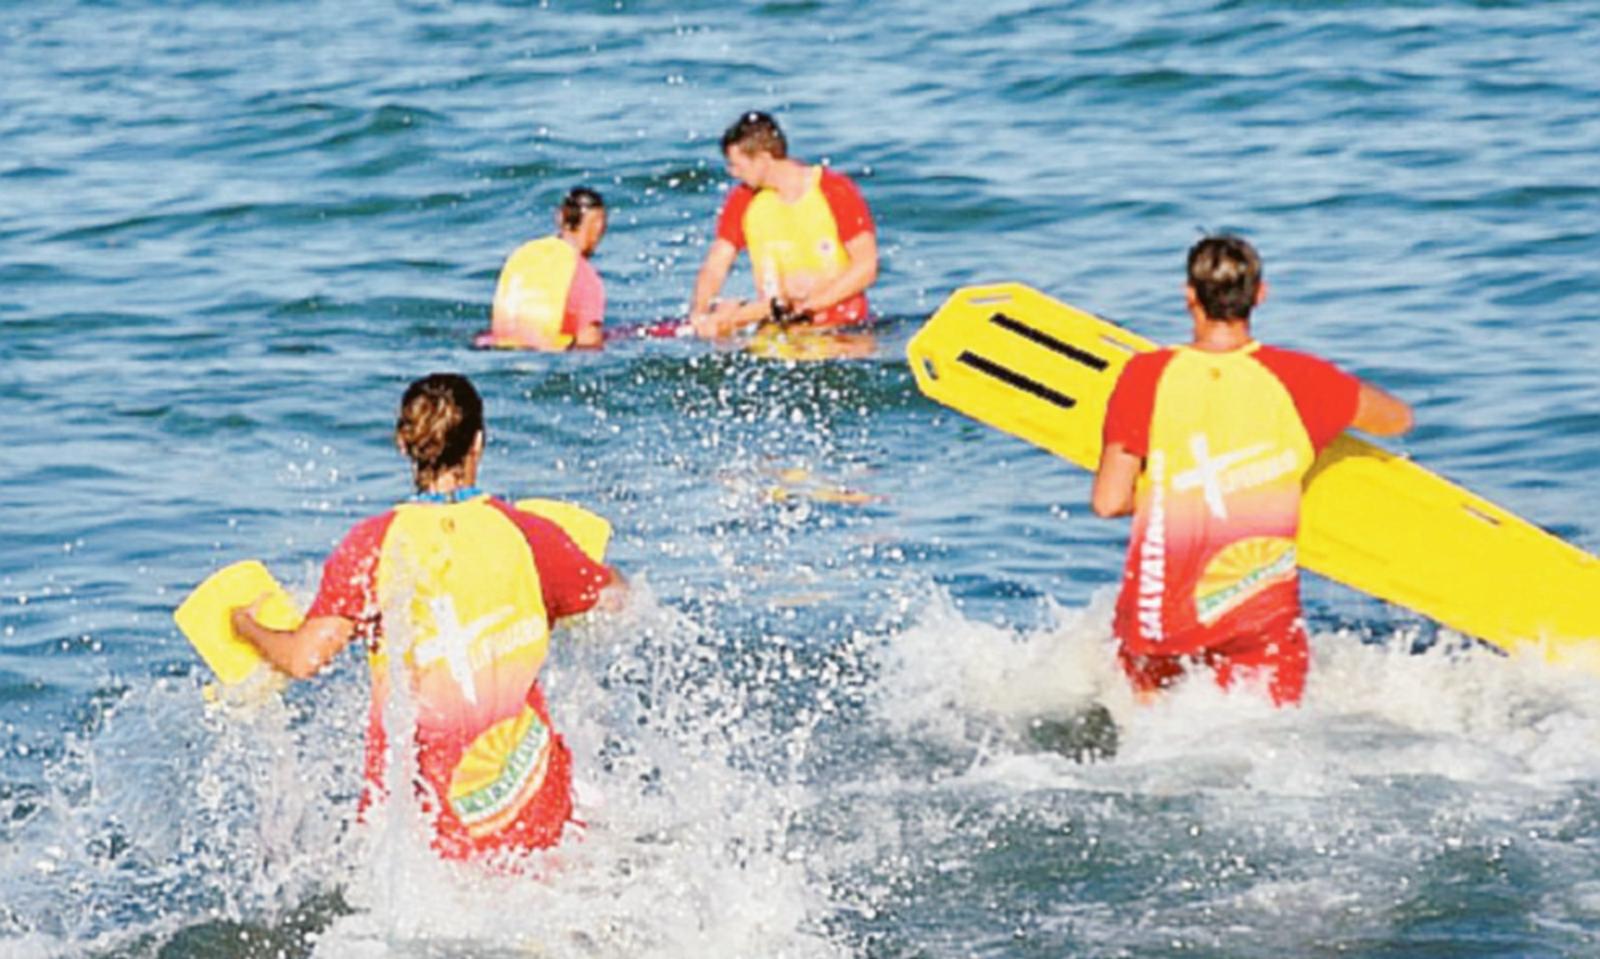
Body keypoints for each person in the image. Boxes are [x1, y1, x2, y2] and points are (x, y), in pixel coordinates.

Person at [231, 373, 619, 860]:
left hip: (420, 830)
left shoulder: (373, 545)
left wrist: (246, 626)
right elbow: (614, 597)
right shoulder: (524, 533)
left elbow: (305, 658)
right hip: (530, 804)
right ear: (478, 443)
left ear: (403, 443)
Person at [1091, 235, 1413, 706]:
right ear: (1260, 295)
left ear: (1189, 296)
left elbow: (1109, 501)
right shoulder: (1302, 380)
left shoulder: (1145, 376)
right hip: (1256, 619)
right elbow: (1397, 419)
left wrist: (1181, 491)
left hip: (1157, 618)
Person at [689, 111, 878, 338]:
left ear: (763, 159)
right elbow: (715, 265)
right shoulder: (742, 200)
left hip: (844, 331)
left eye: (737, 165)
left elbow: (866, 267)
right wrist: (700, 314)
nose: (732, 173)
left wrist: (808, 307)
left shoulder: (835, 190)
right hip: (779, 331)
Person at [479, 187, 608, 350]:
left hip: (495, 351)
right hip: (549, 360)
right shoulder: (584, 275)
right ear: (599, 224)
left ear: (560, 217)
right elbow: (589, 344)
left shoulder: (523, 255)